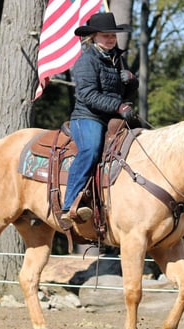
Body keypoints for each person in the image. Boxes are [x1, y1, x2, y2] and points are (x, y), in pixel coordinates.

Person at [59, 12, 139, 231]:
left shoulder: (117, 59)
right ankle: (69, 205)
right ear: (93, 36)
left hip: (113, 117)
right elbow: (87, 95)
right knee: (91, 150)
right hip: (88, 116)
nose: (111, 39)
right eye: (105, 35)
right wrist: (118, 107)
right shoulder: (86, 60)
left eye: (113, 35)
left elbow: (125, 92)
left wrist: (131, 81)